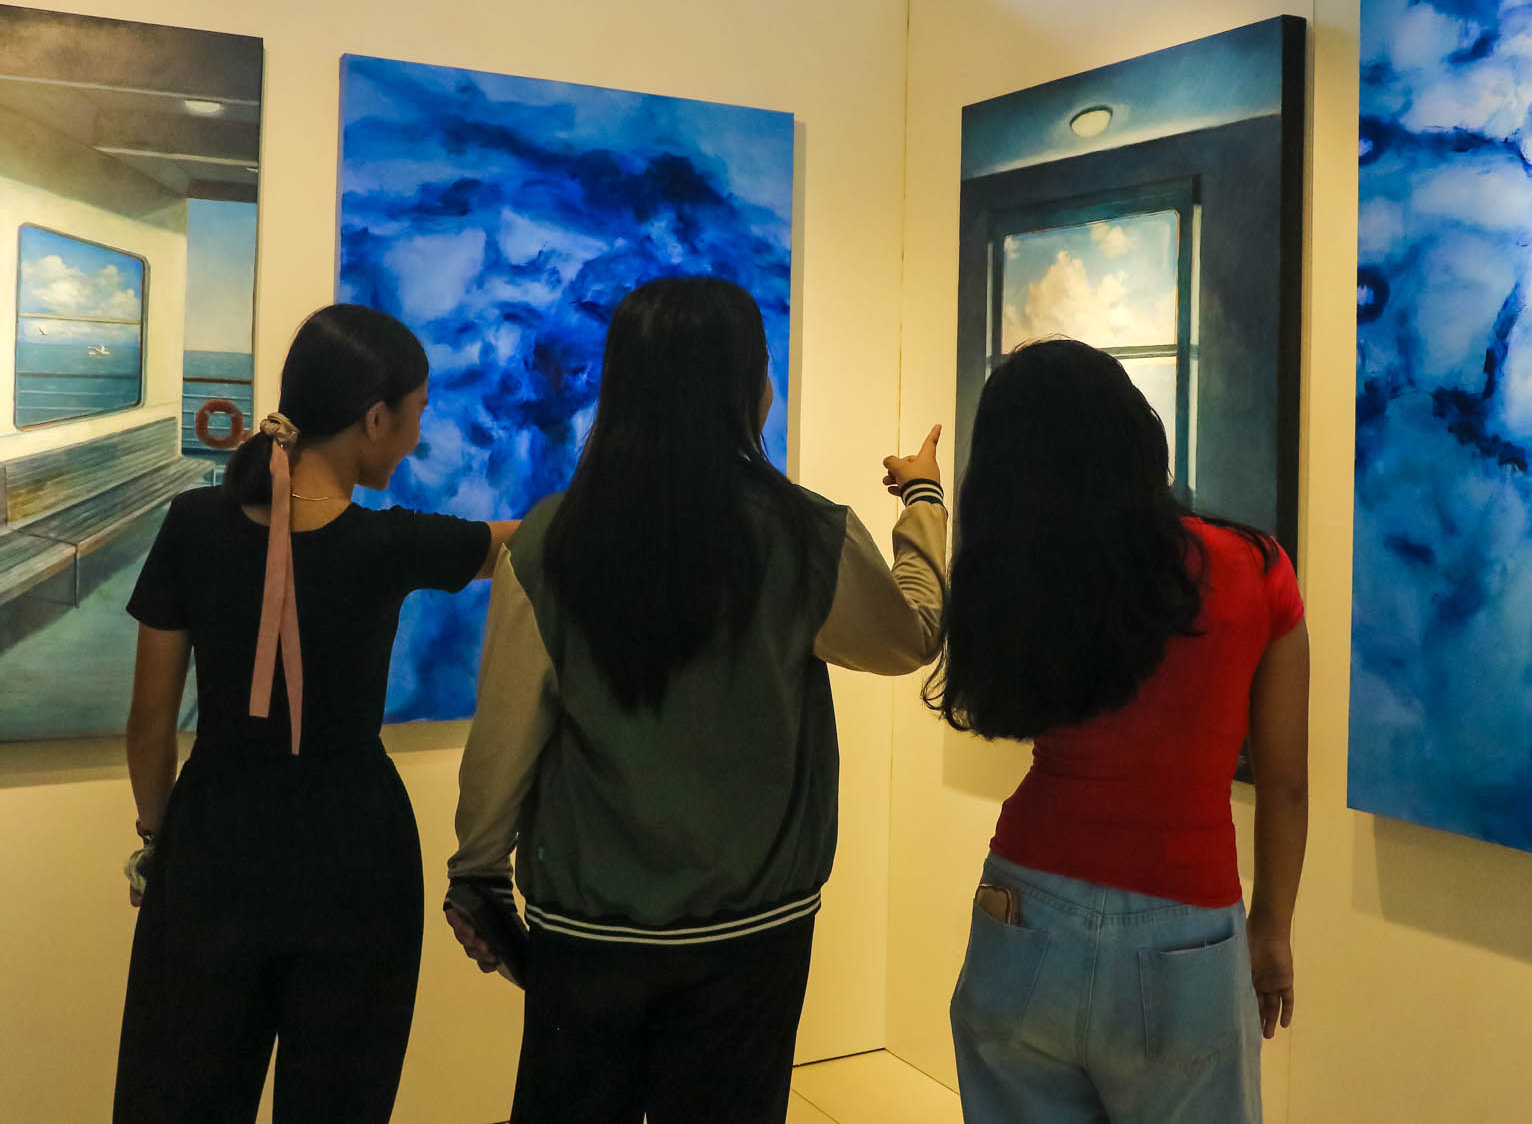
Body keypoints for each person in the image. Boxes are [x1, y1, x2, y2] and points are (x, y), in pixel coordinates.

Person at [444, 276, 949, 1124]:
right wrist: (924, 501)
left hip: (587, 933)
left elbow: (504, 738)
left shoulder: (548, 541)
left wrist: (477, 873)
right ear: (747, 387)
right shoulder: (805, 534)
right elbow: (913, 635)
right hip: (753, 933)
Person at [114, 304, 520, 1124]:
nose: (416, 437)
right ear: (374, 418)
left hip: (213, 848)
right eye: (417, 413)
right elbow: (524, 543)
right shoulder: (392, 542)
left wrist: (159, 839)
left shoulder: (192, 524)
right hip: (355, 856)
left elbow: (150, 721)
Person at [932, 338, 1310, 1124]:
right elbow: (1285, 784)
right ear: (1139, 434)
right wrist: (1273, 923)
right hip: (1186, 930)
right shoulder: (1255, 567)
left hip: (1022, 904)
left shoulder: (1029, 579)